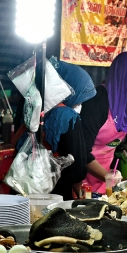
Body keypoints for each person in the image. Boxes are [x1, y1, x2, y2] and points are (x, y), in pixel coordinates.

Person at [12, 58, 97, 200]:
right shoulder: (66, 116)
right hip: (56, 193)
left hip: (23, 188)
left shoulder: (29, 108)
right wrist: (83, 196)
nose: (81, 102)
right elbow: (77, 165)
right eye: (81, 96)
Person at [79, 51, 127, 194]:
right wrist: (108, 177)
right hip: (81, 179)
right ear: (123, 75)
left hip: (106, 182)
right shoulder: (97, 101)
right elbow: (81, 151)